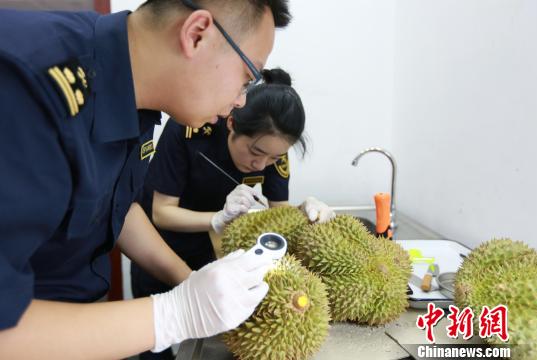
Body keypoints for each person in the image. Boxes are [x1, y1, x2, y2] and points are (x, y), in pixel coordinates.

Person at [0, 0, 292, 358]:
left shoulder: (138, 100)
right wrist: (174, 315)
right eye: (247, 76)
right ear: (196, 34)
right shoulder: (26, 84)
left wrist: (191, 285)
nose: (241, 101)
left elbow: (115, 207)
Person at [131, 68, 335, 359]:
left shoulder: (273, 150)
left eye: (274, 157)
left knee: (204, 343)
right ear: (231, 124)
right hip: (160, 249)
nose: (261, 164)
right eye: (255, 152)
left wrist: (307, 212)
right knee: (155, 344)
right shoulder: (189, 131)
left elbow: (280, 218)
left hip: (217, 257)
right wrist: (217, 218)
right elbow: (162, 213)